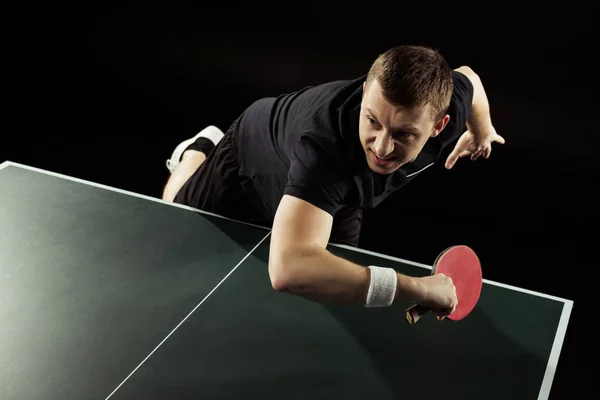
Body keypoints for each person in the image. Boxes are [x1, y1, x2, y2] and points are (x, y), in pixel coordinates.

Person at [162, 45, 505, 318]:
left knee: (333, 287)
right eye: (372, 120)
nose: (382, 147)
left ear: (439, 126)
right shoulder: (323, 148)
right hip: (252, 153)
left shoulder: (446, 103)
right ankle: (198, 149)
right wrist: (418, 288)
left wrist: (481, 131)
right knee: (176, 212)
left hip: (341, 191)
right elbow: (288, 270)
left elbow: (469, 79)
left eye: (403, 134)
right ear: (366, 96)